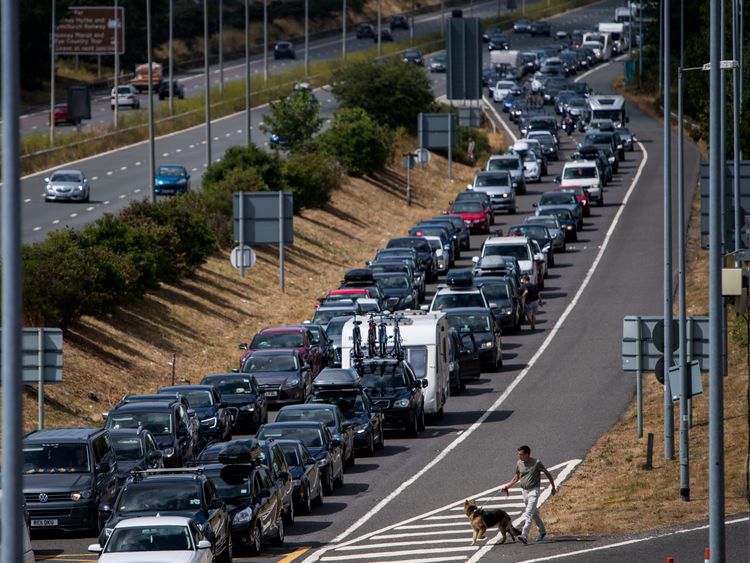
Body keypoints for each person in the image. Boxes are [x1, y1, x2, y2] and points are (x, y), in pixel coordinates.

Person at [501, 445, 556, 543]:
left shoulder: (536, 463)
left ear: (527, 454)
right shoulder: (519, 463)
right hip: (524, 491)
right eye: (518, 454)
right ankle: (542, 531)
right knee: (534, 512)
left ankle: (524, 535)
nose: (519, 456)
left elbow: (547, 474)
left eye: (521, 454)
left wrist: (553, 487)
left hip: (534, 491)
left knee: (528, 513)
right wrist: (507, 486)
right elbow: (516, 477)